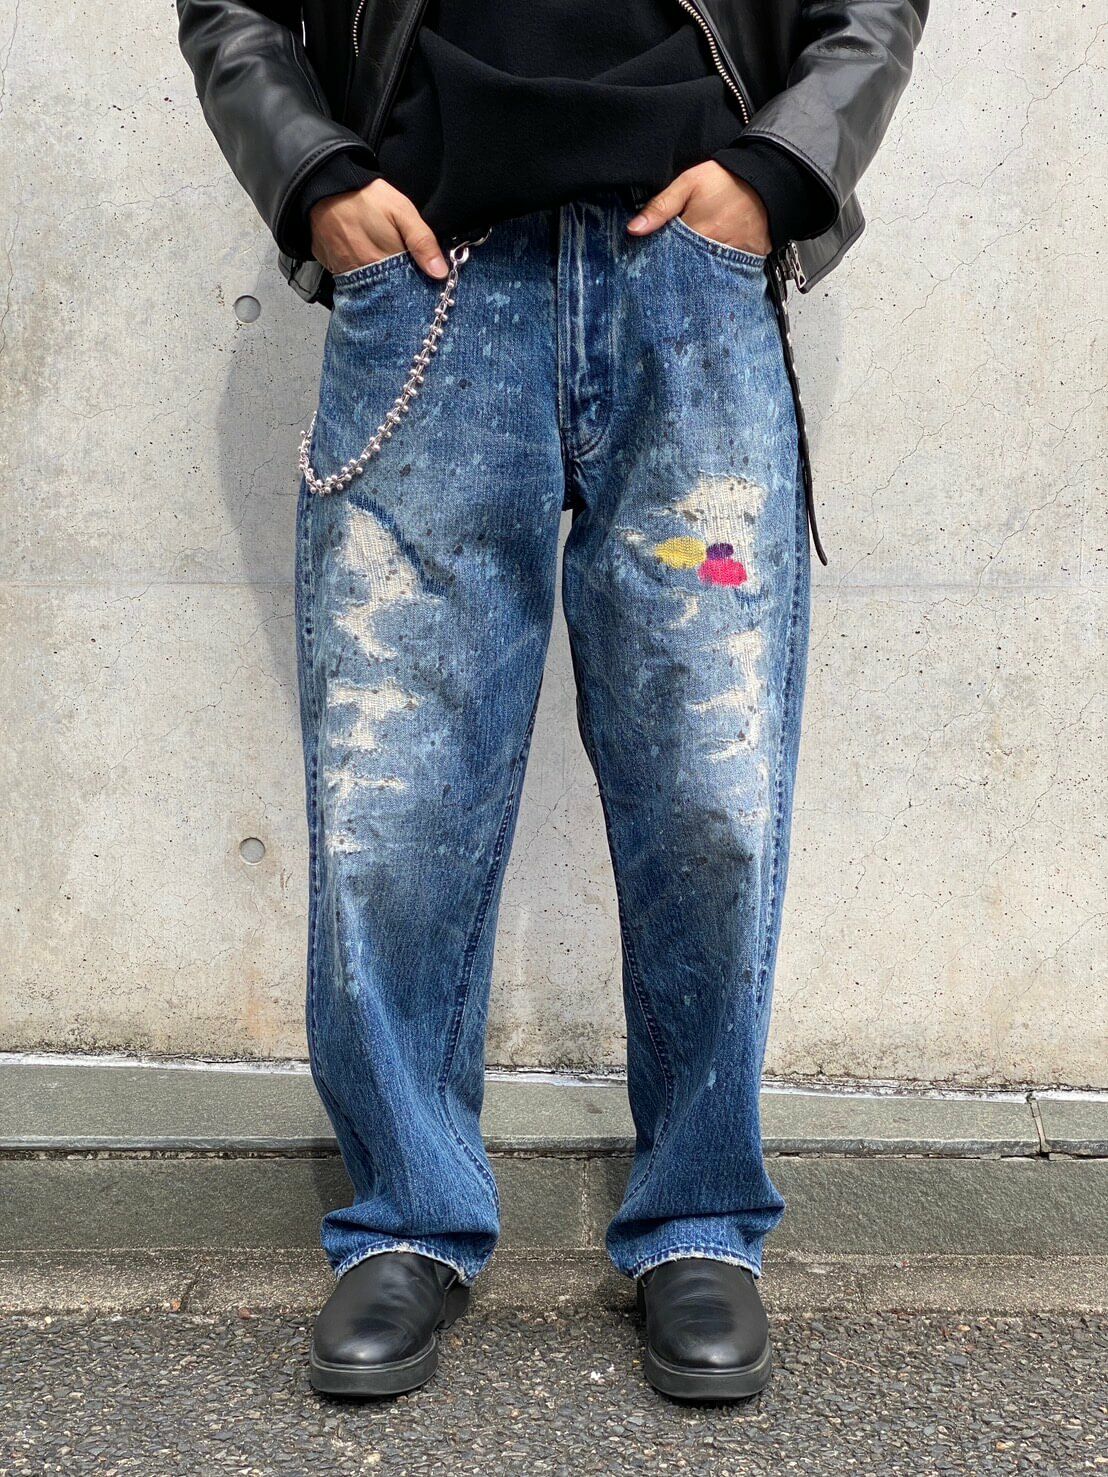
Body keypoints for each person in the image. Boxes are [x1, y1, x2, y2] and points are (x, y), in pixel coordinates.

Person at [178, 0, 926, 1402]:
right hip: (430, 281)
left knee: (710, 788)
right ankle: (405, 1214)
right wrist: (314, 174)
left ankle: (699, 1217)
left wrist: (779, 171)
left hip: (690, 292)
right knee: (394, 797)